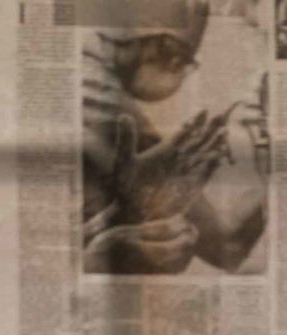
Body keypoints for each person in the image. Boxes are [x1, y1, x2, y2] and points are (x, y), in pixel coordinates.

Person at [80, 0, 269, 278]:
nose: (178, 71)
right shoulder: (99, 98)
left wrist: (124, 214)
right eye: (180, 59)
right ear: (164, 48)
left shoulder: (96, 82)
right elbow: (226, 247)